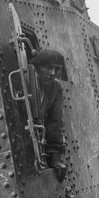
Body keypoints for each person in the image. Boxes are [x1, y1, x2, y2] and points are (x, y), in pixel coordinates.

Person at [30, 49, 67, 177]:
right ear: (36, 68)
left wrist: (55, 159)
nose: (52, 73)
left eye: (56, 70)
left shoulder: (55, 87)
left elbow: (55, 122)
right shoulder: (25, 81)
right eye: (48, 68)